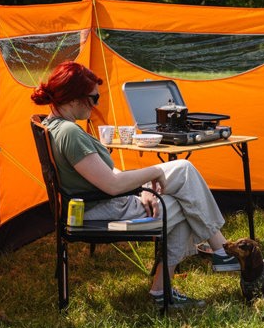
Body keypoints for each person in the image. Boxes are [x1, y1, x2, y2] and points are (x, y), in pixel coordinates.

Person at [31, 61, 239, 309]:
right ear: (75, 98)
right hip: (99, 210)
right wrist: (151, 173)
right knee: (184, 189)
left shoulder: (56, 125)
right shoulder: (70, 134)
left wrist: (142, 189)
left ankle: (217, 256)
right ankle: (212, 259)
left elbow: (103, 174)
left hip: (95, 204)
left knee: (184, 186)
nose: (97, 105)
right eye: (94, 98)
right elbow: (111, 184)